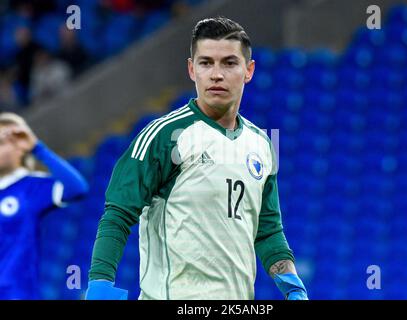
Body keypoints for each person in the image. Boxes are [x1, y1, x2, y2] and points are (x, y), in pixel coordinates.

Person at [86, 17, 308, 300]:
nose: (216, 74)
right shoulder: (164, 136)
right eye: (206, 63)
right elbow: (118, 214)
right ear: (192, 70)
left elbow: (267, 231)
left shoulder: (261, 144)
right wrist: (100, 286)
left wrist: (293, 288)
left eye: (229, 63)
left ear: (248, 70)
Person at [0, 112, 89, 299]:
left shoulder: (31, 187)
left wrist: (38, 148)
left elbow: (76, 188)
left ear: (20, 147)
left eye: (1, 143)